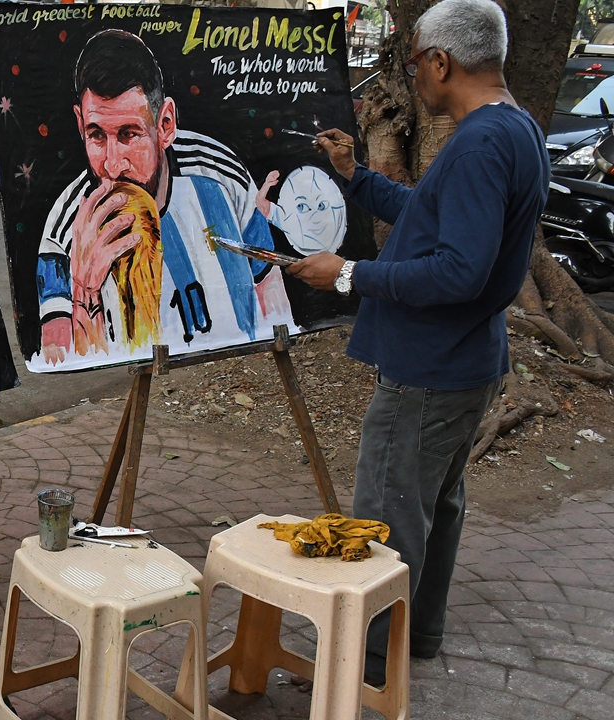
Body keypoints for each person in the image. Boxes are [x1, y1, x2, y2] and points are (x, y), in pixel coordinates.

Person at [286, 0, 550, 684]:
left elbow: (458, 269)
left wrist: (349, 274)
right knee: (433, 503)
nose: (414, 80)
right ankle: (417, 634)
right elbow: (433, 219)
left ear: (440, 61)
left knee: (388, 511)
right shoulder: (512, 128)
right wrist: (357, 178)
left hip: (431, 366)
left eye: (414, 65)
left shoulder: (481, 142)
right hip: (465, 359)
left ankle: (367, 667)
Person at [36, 29, 294, 368]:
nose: (113, 165)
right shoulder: (63, 233)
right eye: (96, 135)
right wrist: (85, 289)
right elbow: (61, 360)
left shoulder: (220, 175)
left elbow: (271, 295)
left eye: (129, 134)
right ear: (79, 123)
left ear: (166, 125)